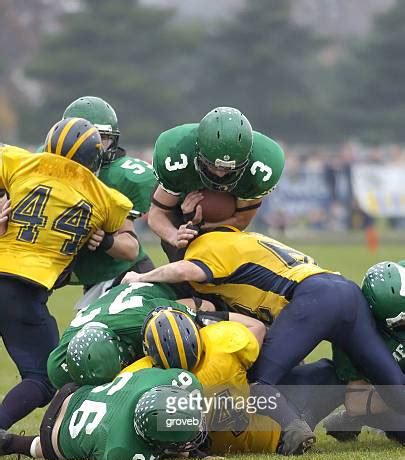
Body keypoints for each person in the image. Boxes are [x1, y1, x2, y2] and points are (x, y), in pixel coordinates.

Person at [122, 228, 405, 423]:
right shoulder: (249, 244)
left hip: (314, 297)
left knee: (260, 383)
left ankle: (294, 430)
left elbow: (185, 269)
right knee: (396, 389)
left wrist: (142, 277)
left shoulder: (210, 246)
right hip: (344, 291)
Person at [0, 118, 133, 430]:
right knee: (43, 378)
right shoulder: (106, 198)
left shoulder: (19, 161)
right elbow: (131, 248)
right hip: (24, 292)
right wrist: (108, 240)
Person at [124, 308, 345, 455]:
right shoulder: (222, 342)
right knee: (321, 373)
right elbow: (257, 328)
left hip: (207, 444)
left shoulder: (143, 373)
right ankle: (297, 422)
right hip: (267, 432)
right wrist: (209, 315)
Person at [148, 106, 285, 262]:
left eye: (230, 169)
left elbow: (241, 220)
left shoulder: (261, 167)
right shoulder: (178, 152)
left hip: (223, 221)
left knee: (222, 270)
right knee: (184, 270)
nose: (221, 174)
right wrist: (175, 236)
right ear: (198, 152)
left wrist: (202, 226)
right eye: (214, 165)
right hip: (179, 208)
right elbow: (157, 214)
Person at [60, 96, 157, 309]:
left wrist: (103, 240)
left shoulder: (118, 176)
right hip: (85, 274)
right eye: (83, 138)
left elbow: (130, 248)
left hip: (121, 276)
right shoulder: (46, 166)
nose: (92, 148)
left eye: (100, 139)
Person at [0, 368, 206, 460]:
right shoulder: (122, 450)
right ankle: (12, 443)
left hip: (74, 391)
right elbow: (169, 454)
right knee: (52, 448)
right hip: (54, 434)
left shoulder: (161, 379)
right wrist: (192, 454)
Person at [47, 281, 213, 389]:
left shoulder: (142, 320)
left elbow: (204, 307)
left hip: (158, 286)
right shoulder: (59, 365)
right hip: (114, 300)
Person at [325, 261, 405, 443]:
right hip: (389, 397)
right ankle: (353, 420)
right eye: (400, 322)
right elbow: (356, 402)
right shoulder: (352, 332)